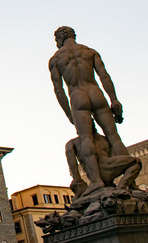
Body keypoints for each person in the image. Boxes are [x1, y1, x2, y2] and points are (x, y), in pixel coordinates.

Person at [49, 26, 129, 196]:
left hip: (78, 96)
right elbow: (104, 76)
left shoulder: (56, 59)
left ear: (59, 39)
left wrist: (69, 113)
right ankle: (129, 180)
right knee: (114, 137)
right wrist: (113, 99)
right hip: (96, 92)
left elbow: (59, 90)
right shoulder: (90, 52)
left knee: (86, 137)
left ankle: (96, 181)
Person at [64, 123, 141, 197]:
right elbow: (111, 156)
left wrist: (77, 180)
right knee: (136, 162)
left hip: (98, 173)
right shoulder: (104, 139)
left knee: (135, 162)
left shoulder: (72, 143)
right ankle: (122, 186)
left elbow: (72, 164)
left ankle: (121, 187)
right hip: (109, 169)